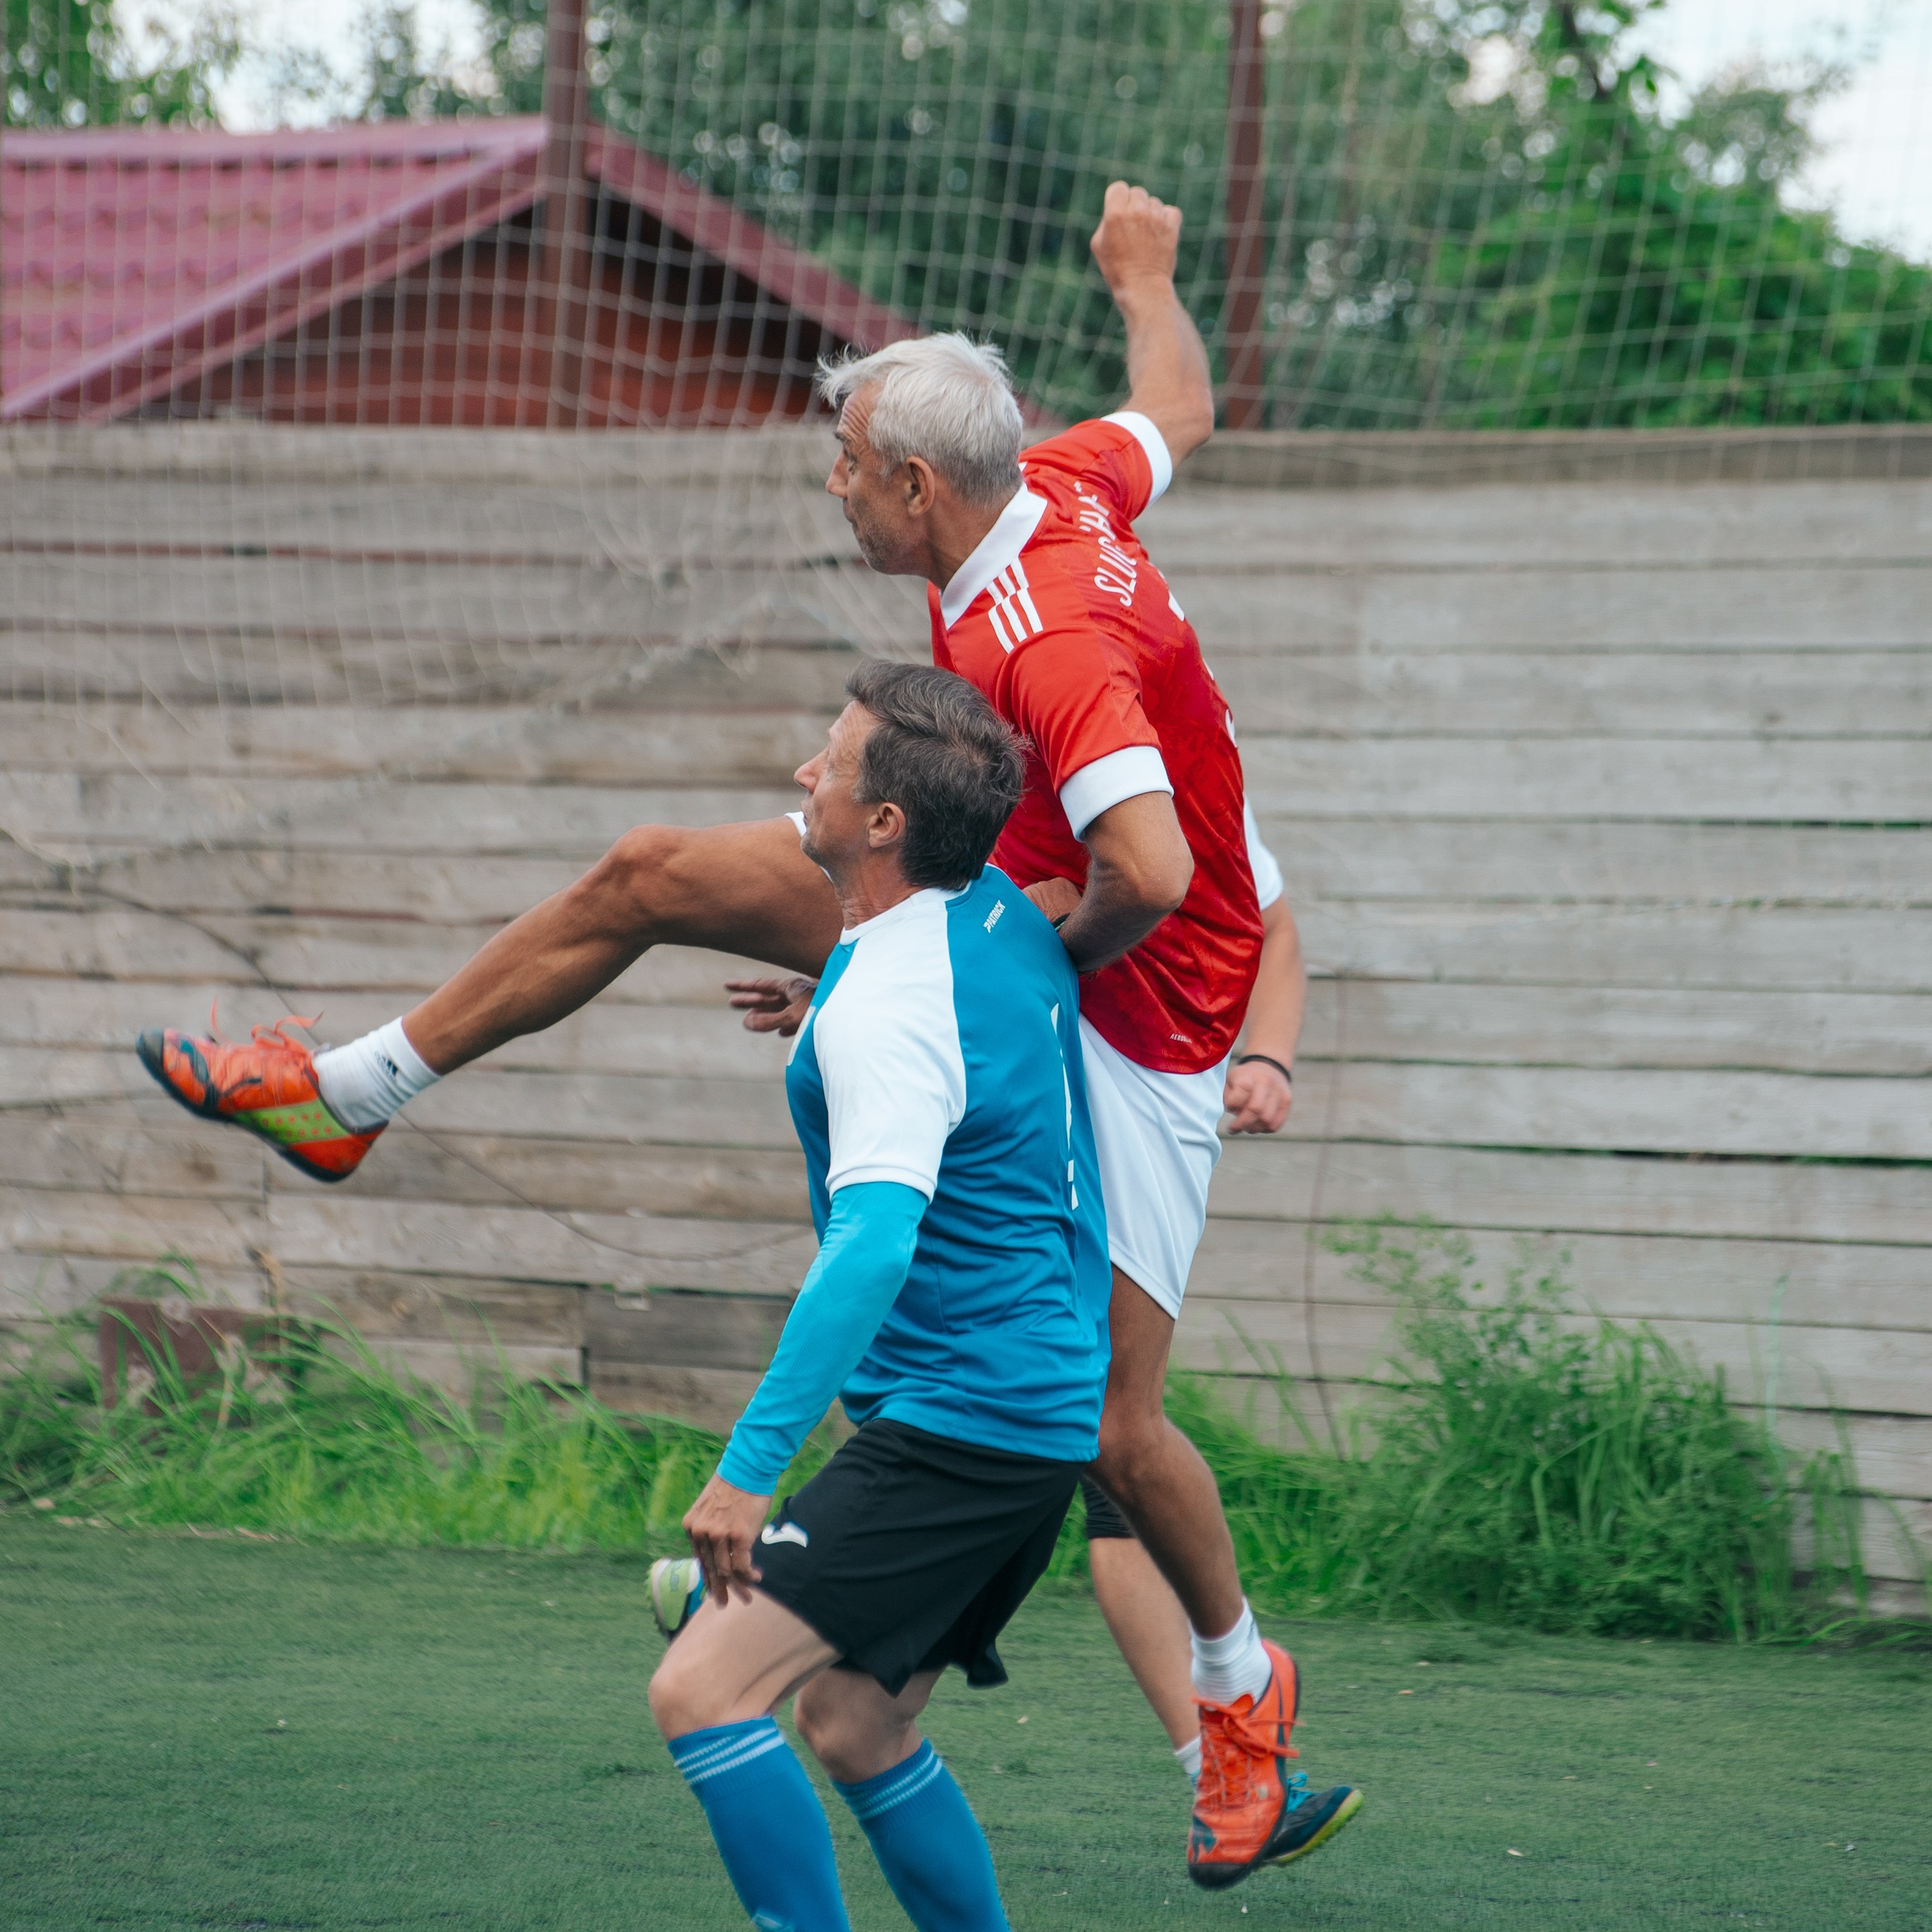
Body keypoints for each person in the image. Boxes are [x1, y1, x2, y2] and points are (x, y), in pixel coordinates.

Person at [134, 182, 1361, 1888]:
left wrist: (980, 981)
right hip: (989, 892)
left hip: (1140, 1000)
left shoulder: (1049, 639)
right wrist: (1144, 280)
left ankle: (1237, 1689)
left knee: (1110, 1428)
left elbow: (1149, 870)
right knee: (646, 871)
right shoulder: (1058, 476)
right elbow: (1180, 409)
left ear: (918, 486)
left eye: (847, 464)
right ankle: (352, 1090)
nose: (834, 486)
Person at [650, 659, 1111, 1932]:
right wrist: (827, 1003)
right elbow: (964, 1029)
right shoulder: (998, 917)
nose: (806, 773)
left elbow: (872, 1250)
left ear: (885, 824)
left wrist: (749, 1471)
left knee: (701, 1693)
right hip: (1034, 1412)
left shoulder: (892, 1007)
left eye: (832, 761)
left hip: (963, 1424)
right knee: (850, 1721)